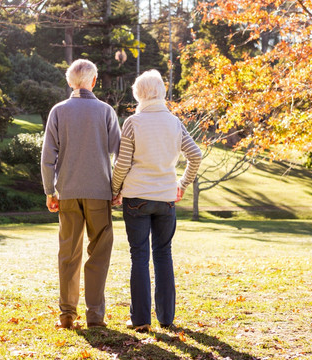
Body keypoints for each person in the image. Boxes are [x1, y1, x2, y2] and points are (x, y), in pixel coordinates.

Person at [111, 69, 202, 332]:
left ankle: (140, 320)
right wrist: (181, 185)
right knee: (163, 255)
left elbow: (122, 165)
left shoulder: (133, 123)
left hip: (136, 197)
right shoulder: (174, 122)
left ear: (138, 94)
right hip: (165, 198)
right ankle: (166, 318)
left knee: (139, 256)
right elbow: (195, 156)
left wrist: (115, 190)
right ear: (161, 92)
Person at [41, 59, 121, 329]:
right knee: (99, 252)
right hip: (100, 193)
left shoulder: (58, 111)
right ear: (94, 81)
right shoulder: (106, 111)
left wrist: (49, 191)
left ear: (69, 82)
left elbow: (47, 158)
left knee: (69, 253)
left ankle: (67, 314)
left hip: (68, 193)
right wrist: (118, 188)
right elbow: (120, 154)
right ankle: (95, 315)